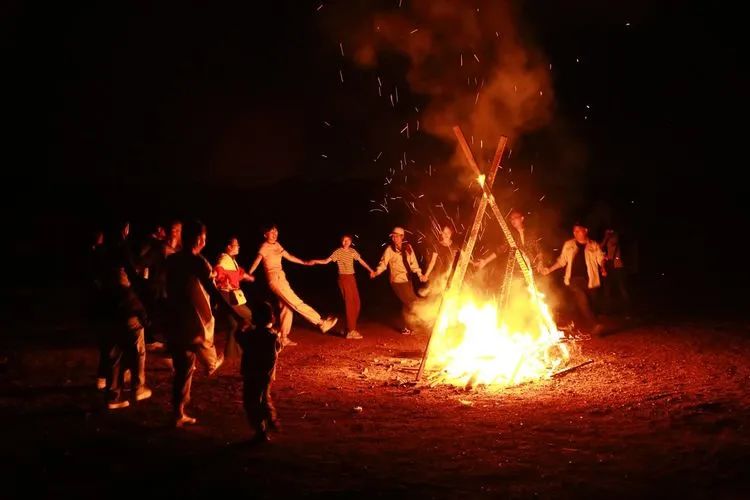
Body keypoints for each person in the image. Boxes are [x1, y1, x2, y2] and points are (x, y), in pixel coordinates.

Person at [165, 220, 241, 427]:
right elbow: (213, 291)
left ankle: (178, 411)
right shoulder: (198, 262)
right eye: (204, 237)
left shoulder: (172, 260)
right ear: (199, 239)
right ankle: (179, 410)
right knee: (189, 364)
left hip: (174, 318)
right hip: (193, 321)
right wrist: (233, 313)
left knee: (183, 368)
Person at [247, 224, 337, 347]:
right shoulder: (264, 247)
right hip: (275, 279)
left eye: (276, 231)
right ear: (265, 234)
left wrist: (304, 262)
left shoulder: (277, 245)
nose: (274, 234)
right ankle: (321, 323)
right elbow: (257, 261)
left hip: (281, 278)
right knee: (296, 302)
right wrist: (248, 274)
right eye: (271, 232)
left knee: (287, 308)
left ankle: (283, 337)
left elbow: (289, 256)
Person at [542, 222, 606, 335]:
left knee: (591, 303)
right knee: (582, 299)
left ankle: (581, 323)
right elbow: (562, 261)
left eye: (578, 230)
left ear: (585, 230)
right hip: (574, 279)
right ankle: (595, 325)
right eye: (574, 231)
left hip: (590, 280)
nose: (575, 233)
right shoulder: (569, 245)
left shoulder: (593, 245)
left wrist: (603, 268)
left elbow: (601, 258)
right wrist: (549, 269)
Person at [103, 267, 153, 409]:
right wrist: (146, 322)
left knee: (114, 358)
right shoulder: (127, 291)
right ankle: (138, 389)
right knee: (138, 354)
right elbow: (137, 307)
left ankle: (113, 396)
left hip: (111, 322)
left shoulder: (106, 291)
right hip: (131, 322)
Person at [311, 235, 375, 339]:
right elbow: (326, 261)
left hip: (352, 278)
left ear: (350, 241)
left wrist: (370, 270)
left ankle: (347, 328)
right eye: (344, 240)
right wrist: (315, 261)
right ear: (342, 242)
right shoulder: (338, 252)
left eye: (348, 240)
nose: (346, 242)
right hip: (343, 278)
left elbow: (361, 261)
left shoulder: (352, 251)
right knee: (349, 304)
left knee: (357, 304)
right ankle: (351, 331)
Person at [237, 301, 281, 444]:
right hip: (266, 375)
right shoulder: (273, 336)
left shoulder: (251, 336)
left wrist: (240, 327)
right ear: (271, 318)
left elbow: (240, 338)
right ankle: (270, 418)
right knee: (264, 397)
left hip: (252, 374)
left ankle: (261, 430)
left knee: (252, 401)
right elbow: (278, 349)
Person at [370, 227, 427, 335]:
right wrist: (376, 272)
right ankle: (420, 322)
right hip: (397, 281)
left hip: (407, 279)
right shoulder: (389, 249)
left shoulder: (408, 247)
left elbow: (413, 263)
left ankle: (406, 327)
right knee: (412, 301)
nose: (394, 238)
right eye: (393, 236)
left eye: (396, 236)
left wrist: (420, 274)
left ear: (402, 237)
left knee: (406, 303)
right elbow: (383, 264)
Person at [214, 237, 255, 358]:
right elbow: (218, 271)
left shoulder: (231, 260)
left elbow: (237, 274)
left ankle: (231, 354)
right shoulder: (224, 259)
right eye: (236, 245)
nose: (238, 247)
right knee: (251, 316)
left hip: (229, 295)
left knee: (234, 325)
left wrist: (247, 277)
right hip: (227, 295)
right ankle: (257, 347)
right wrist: (215, 276)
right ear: (229, 247)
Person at [601, 228, 630, 314]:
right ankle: (607, 309)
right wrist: (606, 237)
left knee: (622, 287)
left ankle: (627, 307)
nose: (608, 233)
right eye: (607, 232)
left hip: (617, 266)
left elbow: (613, 244)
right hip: (609, 266)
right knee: (607, 288)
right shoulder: (607, 239)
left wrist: (608, 236)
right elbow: (600, 247)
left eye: (609, 231)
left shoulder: (615, 238)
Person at [423, 225, 458, 295]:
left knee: (447, 294)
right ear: (441, 233)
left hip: (449, 275)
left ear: (451, 233)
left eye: (448, 232)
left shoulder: (455, 246)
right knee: (435, 293)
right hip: (438, 274)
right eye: (444, 232)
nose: (446, 234)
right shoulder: (437, 245)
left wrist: (473, 263)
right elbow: (433, 261)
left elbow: (461, 258)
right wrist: (426, 275)